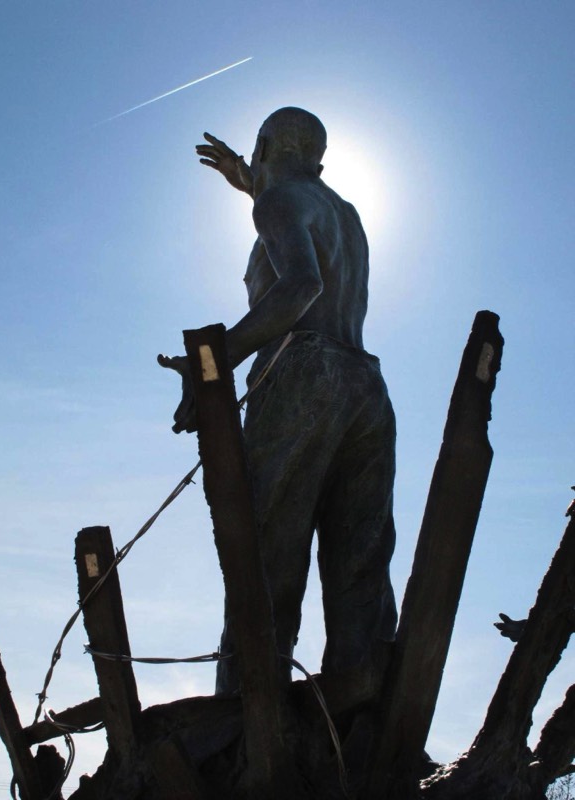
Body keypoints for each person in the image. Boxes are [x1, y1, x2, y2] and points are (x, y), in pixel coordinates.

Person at [158, 108, 397, 693]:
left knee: (266, 564)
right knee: (361, 573)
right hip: (366, 386)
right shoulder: (345, 214)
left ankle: (248, 719)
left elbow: (300, 284)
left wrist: (214, 364)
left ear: (263, 146)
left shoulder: (278, 202)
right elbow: (292, 208)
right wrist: (248, 181)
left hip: (301, 378)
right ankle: (364, 719)